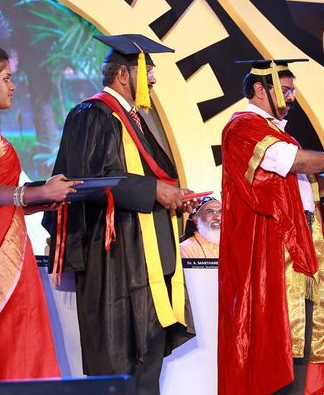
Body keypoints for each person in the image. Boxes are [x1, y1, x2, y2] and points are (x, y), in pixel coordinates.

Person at [42, 34, 196, 395]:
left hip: (148, 261)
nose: (153, 79)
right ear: (123, 75)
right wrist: (154, 191)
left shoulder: (135, 120)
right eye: (148, 71)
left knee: (147, 369)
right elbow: (87, 178)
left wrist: (174, 197)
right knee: (119, 366)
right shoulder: (92, 115)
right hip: (115, 260)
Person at [219, 58, 324, 394]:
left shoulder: (280, 135)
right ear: (260, 89)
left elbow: (313, 189)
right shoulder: (243, 127)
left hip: (301, 249)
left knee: (301, 343)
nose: (291, 98)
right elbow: (293, 161)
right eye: (286, 90)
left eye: (292, 91)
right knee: (277, 346)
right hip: (271, 253)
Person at [0, 43, 79, 380]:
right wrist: (40, 191)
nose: (13, 86)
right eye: (6, 78)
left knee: (15, 337)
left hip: (4, 240)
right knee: (7, 338)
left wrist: (40, 201)